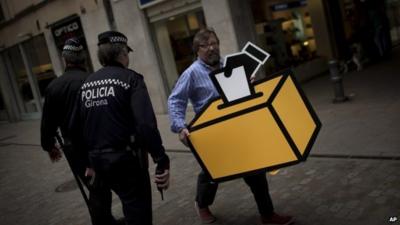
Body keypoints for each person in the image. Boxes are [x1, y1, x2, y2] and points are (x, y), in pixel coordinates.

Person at [168, 28, 294, 225]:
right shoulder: (191, 74)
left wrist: (247, 84)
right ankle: (202, 204)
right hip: (211, 132)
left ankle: (268, 214)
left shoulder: (231, 63)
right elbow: (175, 101)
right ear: (197, 50)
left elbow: (240, 93)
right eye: (205, 45)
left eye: (214, 43)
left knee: (256, 170)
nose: (211, 48)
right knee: (211, 174)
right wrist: (180, 126)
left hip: (237, 128)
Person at [73, 31, 170, 225]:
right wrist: (161, 159)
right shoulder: (131, 79)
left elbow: (75, 128)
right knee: (137, 212)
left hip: (98, 161)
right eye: (127, 52)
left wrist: (87, 163)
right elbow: (145, 125)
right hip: (127, 161)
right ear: (122, 53)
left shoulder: (86, 84)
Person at [40, 38, 120, 225]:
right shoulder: (92, 81)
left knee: (96, 188)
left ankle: (106, 221)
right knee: (103, 188)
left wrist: (49, 146)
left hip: (76, 151)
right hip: (101, 144)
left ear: (64, 60)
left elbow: (47, 125)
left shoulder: (53, 87)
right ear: (83, 58)